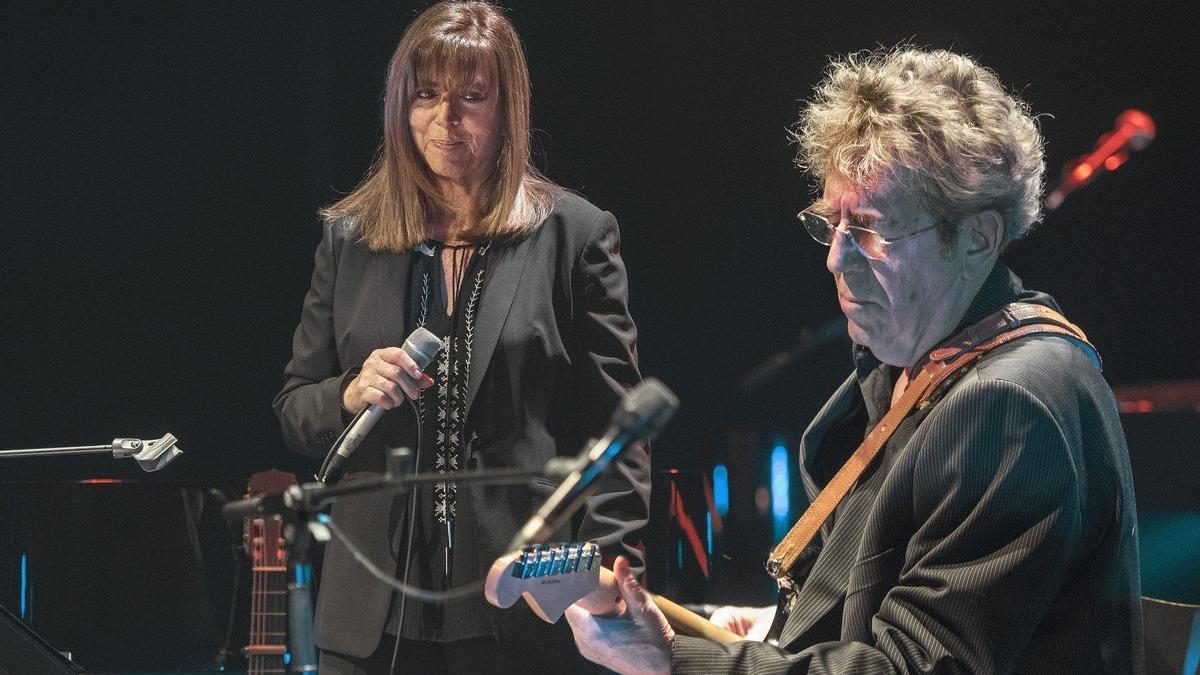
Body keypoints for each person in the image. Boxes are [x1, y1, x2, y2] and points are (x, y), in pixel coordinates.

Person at [565, 47, 1143, 673]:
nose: (836, 260)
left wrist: (676, 664)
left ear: (978, 237)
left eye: (870, 229)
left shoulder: (1010, 403)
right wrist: (778, 628)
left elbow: (908, 668)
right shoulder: (916, 363)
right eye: (830, 224)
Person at [272, 3, 649, 673]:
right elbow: (296, 410)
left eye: (472, 97)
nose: (447, 119)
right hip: (368, 619)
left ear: (507, 106)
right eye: (428, 95)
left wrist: (608, 586)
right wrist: (350, 393)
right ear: (400, 104)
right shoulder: (349, 239)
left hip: (521, 615)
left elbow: (618, 438)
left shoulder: (576, 237)